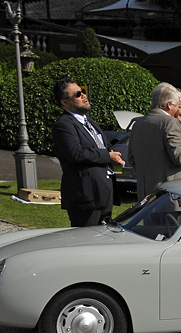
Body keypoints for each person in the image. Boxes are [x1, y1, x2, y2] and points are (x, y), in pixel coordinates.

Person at [51, 78, 123, 226]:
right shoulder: (63, 125)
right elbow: (76, 154)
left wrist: (113, 155)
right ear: (65, 102)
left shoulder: (89, 122)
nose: (84, 96)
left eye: (82, 92)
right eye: (77, 94)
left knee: (103, 238)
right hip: (86, 196)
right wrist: (107, 156)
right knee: (85, 242)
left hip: (104, 190)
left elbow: (104, 145)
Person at [126, 82, 181, 199]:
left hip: (146, 195)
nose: (178, 110)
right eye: (177, 105)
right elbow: (180, 156)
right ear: (170, 105)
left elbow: (131, 158)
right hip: (171, 196)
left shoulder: (138, 124)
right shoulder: (170, 122)